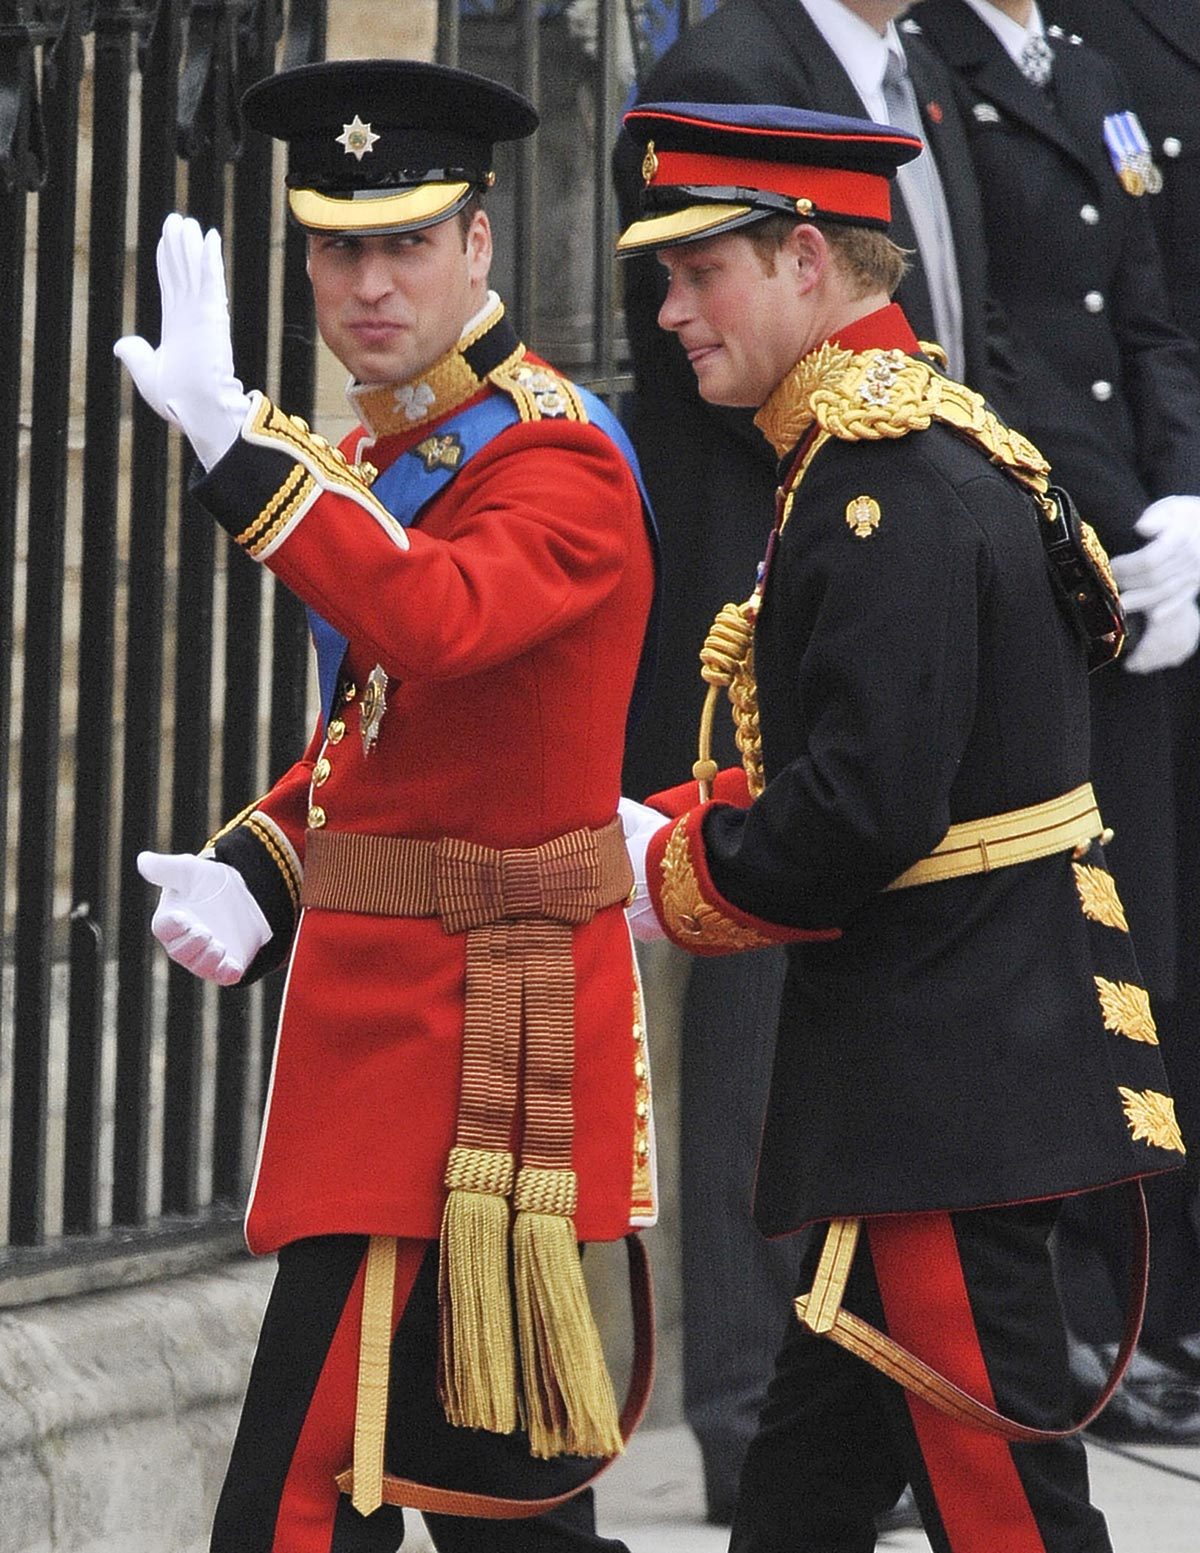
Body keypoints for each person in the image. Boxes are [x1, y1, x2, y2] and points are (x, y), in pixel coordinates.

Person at [615, 96, 1185, 1549]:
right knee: (799, 1502)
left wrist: (668, 865)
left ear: (809, 258)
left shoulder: (880, 483)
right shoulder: (899, 439)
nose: (671, 311)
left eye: (701, 272)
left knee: (1012, 1518)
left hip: (945, 1076)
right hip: (935, 1071)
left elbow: (866, 809)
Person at [115, 58, 657, 1553]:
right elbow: (384, 739)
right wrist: (264, 858)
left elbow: (437, 622)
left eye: (405, 239)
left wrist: (242, 452)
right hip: (405, 1040)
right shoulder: (382, 453)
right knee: (500, 1517)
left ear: (480, 245)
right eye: (337, 245)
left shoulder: (553, 458)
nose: (366, 281)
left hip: (480, 1057)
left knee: (298, 1504)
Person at [611, 0, 1019, 1522]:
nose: (671, 298)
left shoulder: (917, 75)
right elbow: (709, 361)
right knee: (756, 1037)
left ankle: (804, 1394)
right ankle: (735, 1389)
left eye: (705, 266)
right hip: (774, 579)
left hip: (910, 585)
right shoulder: (731, 64)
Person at [917, 0, 1200, 1444]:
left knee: (1139, 936)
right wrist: (1071, 521)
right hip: (1039, 560)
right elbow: (984, 337)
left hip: (1146, 567)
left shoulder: (1082, 69)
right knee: (1054, 942)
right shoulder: (934, 61)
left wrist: (1188, 501)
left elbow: (1142, 315)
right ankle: (1074, 1316)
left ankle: (1139, 1298)